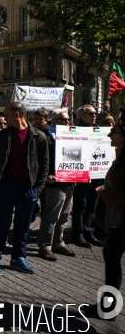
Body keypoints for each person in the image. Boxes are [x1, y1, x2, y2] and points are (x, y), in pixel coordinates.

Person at [0, 102, 49, 276]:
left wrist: (38, 188)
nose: (4, 119)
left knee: (23, 225)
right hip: (6, 185)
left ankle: (18, 258)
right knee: (1, 223)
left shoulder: (38, 136)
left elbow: (44, 165)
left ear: (17, 115)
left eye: (6, 115)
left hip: (28, 187)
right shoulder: (3, 135)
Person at [82, 114, 125, 319]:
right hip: (117, 221)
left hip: (121, 221)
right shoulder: (121, 155)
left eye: (114, 131)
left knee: (112, 259)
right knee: (111, 259)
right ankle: (109, 308)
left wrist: (105, 193)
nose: (109, 134)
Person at [38, 108, 77, 261]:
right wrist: (46, 176)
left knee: (64, 216)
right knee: (51, 216)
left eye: (68, 119)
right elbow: (40, 159)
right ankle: (45, 246)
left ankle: (58, 243)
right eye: (63, 119)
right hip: (54, 183)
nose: (67, 122)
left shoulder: (72, 134)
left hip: (70, 180)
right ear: (53, 120)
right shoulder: (45, 135)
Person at [72, 105, 104, 248]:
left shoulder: (99, 130)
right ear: (81, 116)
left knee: (92, 203)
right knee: (81, 204)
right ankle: (77, 234)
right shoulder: (74, 131)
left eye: (95, 113)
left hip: (97, 173)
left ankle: (89, 232)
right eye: (90, 113)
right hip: (82, 173)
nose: (94, 115)